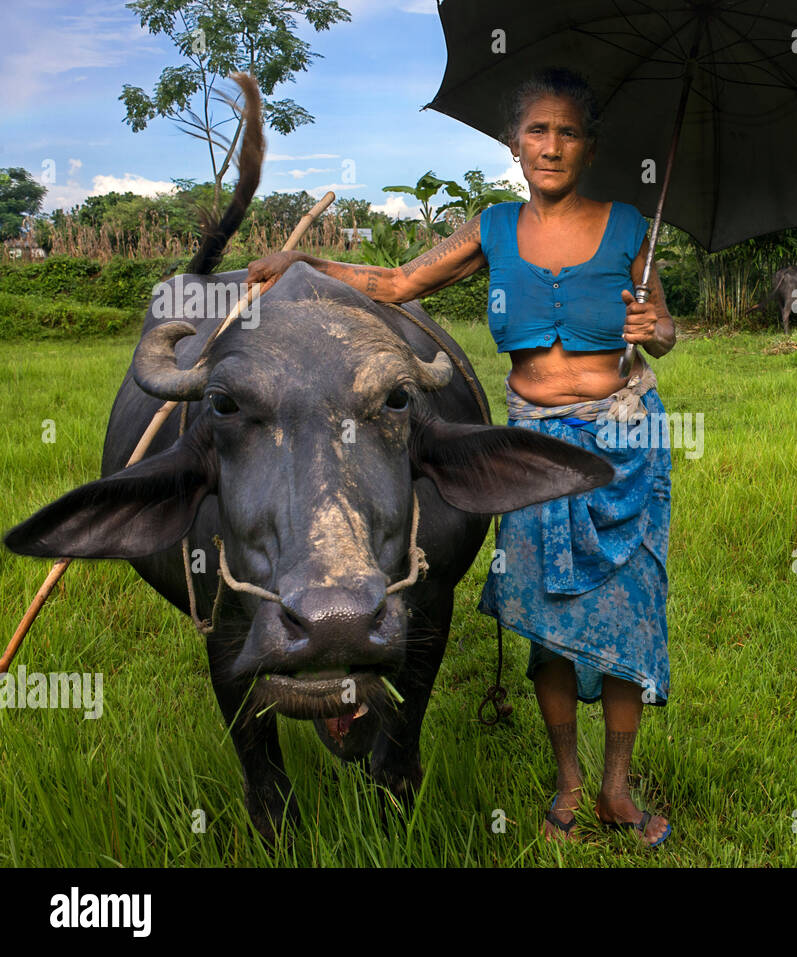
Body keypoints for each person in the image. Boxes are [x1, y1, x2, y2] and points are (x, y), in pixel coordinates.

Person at [246, 67, 675, 848]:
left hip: (625, 441)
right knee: (550, 622)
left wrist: (658, 327)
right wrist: (304, 267)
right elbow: (398, 282)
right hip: (534, 445)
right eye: (537, 131)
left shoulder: (627, 226)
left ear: (589, 144)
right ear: (515, 144)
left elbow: (667, 327)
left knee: (629, 628)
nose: (551, 146)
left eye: (568, 131)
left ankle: (617, 787)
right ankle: (569, 789)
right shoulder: (492, 228)